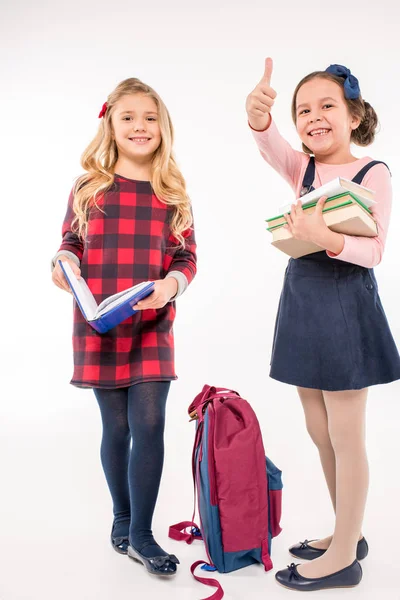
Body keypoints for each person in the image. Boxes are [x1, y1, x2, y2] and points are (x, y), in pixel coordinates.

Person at [246, 59, 400, 591]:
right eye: (303, 109)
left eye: (327, 105)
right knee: (317, 428)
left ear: (354, 116)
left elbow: (375, 250)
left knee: (345, 432)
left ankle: (343, 558)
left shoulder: (371, 171)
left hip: (344, 303)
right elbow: (271, 146)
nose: (314, 116)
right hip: (303, 298)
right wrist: (259, 117)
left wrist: (326, 235)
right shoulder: (303, 169)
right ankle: (346, 533)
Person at [51, 77, 197, 577]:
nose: (140, 126)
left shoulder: (171, 189)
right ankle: (122, 517)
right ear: (111, 125)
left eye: (150, 118)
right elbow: (70, 241)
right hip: (100, 322)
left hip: (152, 321)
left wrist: (172, 285)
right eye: (129, 117)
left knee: (150, 423)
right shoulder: (89, 187)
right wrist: (61, 262)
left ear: (163, 127)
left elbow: (186, 255)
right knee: (115, 426)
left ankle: (141, 535)